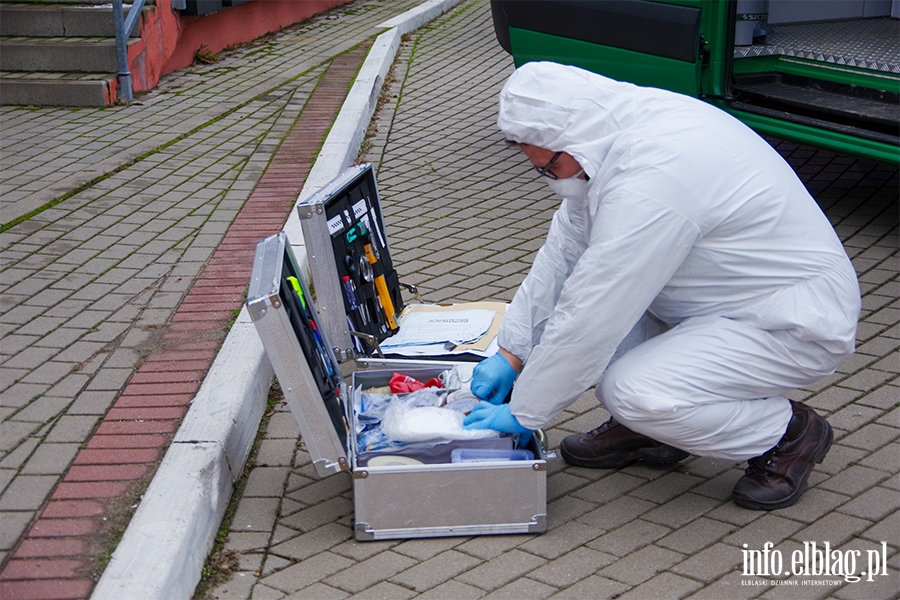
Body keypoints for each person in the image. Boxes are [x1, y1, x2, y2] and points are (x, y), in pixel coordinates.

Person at [463, 62, 860, 510]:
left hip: (789, 321)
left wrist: (526, 410)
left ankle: (787, 433)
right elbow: (563, 258)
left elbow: (595, 306)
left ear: (575, 136)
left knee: (633, 390)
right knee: (606, 344)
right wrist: (512, 352)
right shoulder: (610, 142)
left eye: (550, 166)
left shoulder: (654, 173)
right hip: (719, 296)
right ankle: (652, 430)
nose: (551, 179)